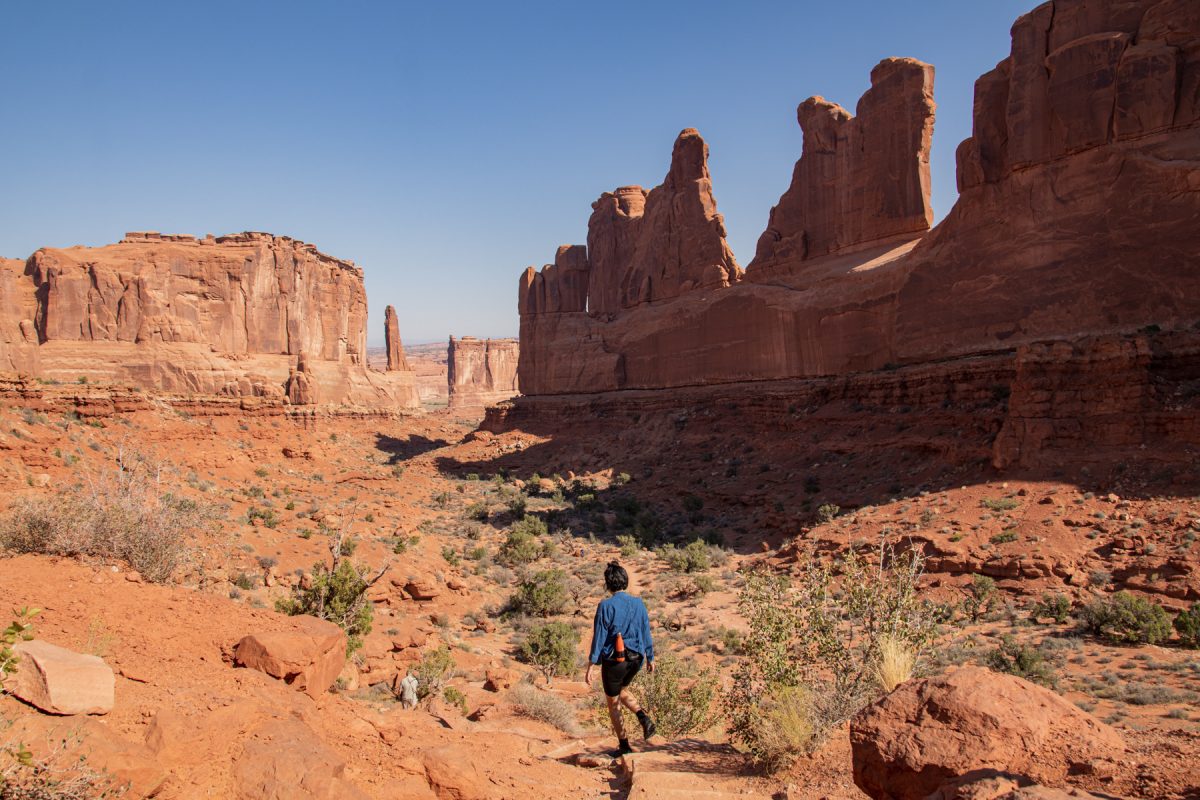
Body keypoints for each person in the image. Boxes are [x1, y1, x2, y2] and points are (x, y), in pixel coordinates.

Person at [585, 560, 657, 756]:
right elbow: (645, 631)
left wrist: (592, 664)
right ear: (625, 581)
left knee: (612, 701)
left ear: (607, 584)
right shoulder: (639, 603)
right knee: (621, 689)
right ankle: (644, 718)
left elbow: (599, 637)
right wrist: (650, 657)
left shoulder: (605, 606)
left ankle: (624, 746)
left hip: (614, 660)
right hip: (636, 660)